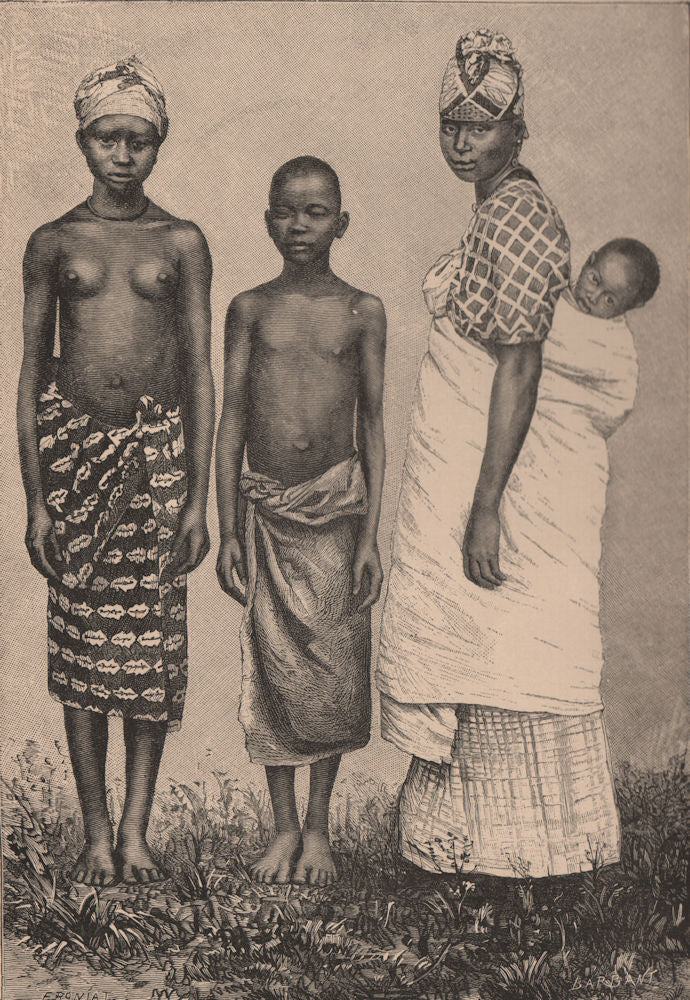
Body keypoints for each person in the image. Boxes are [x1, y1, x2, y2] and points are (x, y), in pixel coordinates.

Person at [376, 30, 642, 880]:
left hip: (500, 479)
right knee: (470, 650)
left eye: (481, 127)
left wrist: (487, 503)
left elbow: (523, 360)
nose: (462, 141)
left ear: (516, 131)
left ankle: (515, 865)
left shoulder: (521, 214)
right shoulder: (491, 209)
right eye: (451, 124)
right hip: (470, 465)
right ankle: (460, 856)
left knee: (498, 651)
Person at [17, 57, 214, 886]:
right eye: (108, 138)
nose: (122, 154)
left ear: (158, 145)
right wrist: (35, 502)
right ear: (83, 141)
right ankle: (94, 832)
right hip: (73, 466)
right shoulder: (53, 242)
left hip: (156, 467)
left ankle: (136, 831)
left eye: (138, 140)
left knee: (146, 657)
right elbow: (30, 374)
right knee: (84, 657)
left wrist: (197, 501)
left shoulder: (182, 242)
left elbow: (201, 374)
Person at [216, 156, 386, 886]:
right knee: (275, 673)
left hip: (339, 511)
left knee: (335, 675)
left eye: (315, 212)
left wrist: (373, 533)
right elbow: (231, 421)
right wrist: (226, 529)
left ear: (341, 223)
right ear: (266, 219)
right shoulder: (250, 308)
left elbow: (373, 422)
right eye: (286, 210)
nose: (298, 225)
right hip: (266, 514)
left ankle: (319, 829)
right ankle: (282, 827)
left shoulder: (363, 311)